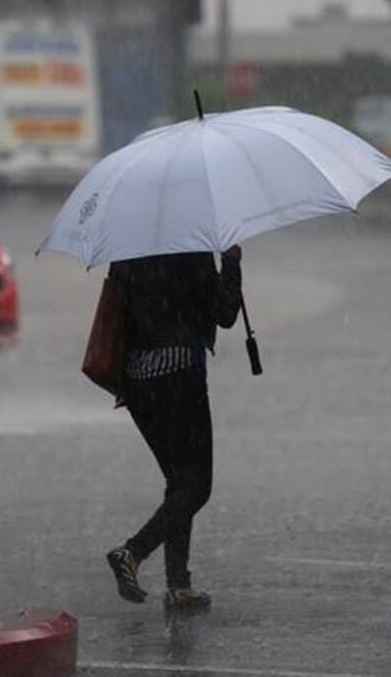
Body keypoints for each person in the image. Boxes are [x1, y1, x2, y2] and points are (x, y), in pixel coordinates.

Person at [105, 245, 243, 613]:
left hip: (138, 383)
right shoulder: (190, 247)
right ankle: (132, 554)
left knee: (179, 482)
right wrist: (231, 262)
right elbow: (225, 312)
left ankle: (179, 584)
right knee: (196, 487)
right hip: (179, 376)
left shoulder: (126, 249)